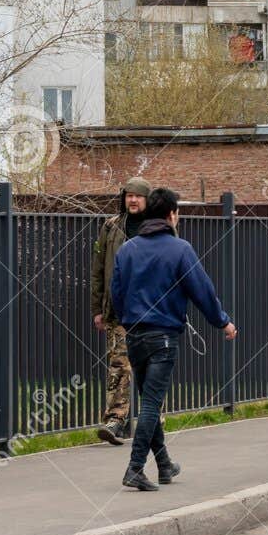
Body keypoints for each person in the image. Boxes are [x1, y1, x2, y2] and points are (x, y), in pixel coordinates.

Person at [109, 187, 237, 491]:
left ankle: (164, 465)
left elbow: (116, 293)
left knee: (148, 400)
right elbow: (202, 291)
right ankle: (135, 468)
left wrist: (129, 317)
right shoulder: (180, 249)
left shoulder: (127, 250)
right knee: (152, 403)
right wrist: (223, 322)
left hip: (134, 336)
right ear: (171, 215)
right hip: (163, 337)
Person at [90, 176, 152, 445]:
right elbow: (98, 271)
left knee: (150, 367)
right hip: (118, 312)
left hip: (151, 313)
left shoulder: (157, 229)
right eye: (129, 195)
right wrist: (98, 308)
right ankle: (115, 421)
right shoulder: (111, 227)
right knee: (119, 367)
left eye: (138, 196)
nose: (133, 200)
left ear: (147, 200)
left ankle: (152, 420)